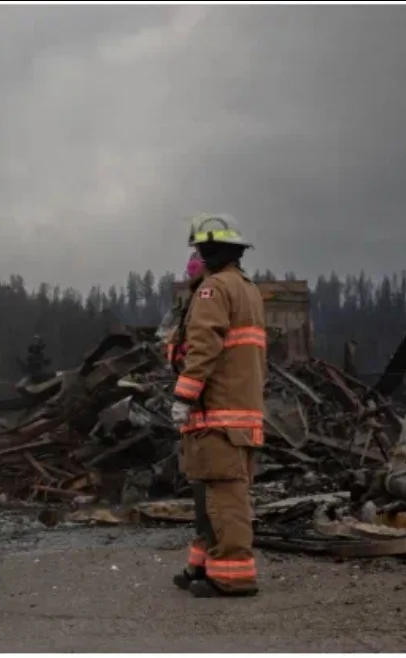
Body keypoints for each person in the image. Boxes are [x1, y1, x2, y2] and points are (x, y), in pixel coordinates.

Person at [167, 213, 267, 598]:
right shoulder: (248, 290)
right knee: (213, 495)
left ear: (210, 251)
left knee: (224, 496)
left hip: (218, 416)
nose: (197, 258)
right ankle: (202, 566)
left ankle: (232, 577)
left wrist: (183, 395)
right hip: (241, 414)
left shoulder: (212, 291)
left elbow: (203, 347)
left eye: (200, 250)